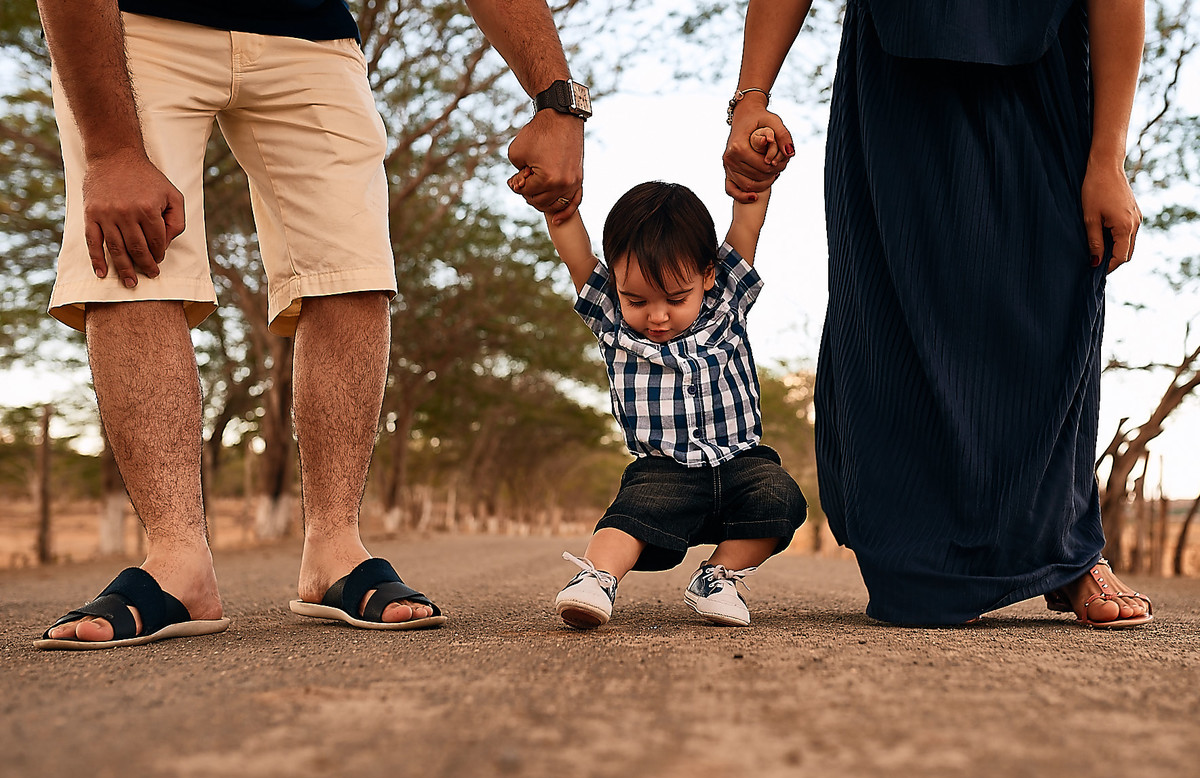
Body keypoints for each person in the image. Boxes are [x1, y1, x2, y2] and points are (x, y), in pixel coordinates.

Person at [34, 0, 584, 649]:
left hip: (312, 28)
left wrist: (555, 101)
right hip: (132, 23)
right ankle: (177, 560)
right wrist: (112, 149)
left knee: (351, 265)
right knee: (132, 248)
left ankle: (335, 551)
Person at [723, 0, 1153, 627]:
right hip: (895, 86)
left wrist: (1108, 157)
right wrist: (750, 97)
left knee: (1046, 306)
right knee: (892, 325)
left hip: (1042, 83)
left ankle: (1065, 553)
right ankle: (911, 553)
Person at [511, 134, 808, 630]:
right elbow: (573, 247)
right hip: (664, 469)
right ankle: (596, 580)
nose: (657, 316)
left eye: (675, 297)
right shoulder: (610, 317)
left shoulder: (726, 303)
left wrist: (757, 178)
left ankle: (717, 577)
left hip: (741, 464)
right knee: (628, 515)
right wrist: (556, 206)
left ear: (708, 275)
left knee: (780, 498)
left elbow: (747, 220)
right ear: (617, 291)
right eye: (638, 300)